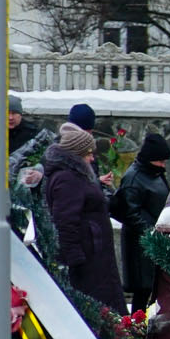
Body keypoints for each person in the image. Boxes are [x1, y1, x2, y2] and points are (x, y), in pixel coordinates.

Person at [42, 124, 126, 311]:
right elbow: (65, 221)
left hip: (92, 253)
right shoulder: (67, 178)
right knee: (96, 306)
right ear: (77, 154)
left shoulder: (75, 175)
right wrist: (74, 257)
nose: (92, 157)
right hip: (87, 258)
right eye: (89, 153)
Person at [111, 132, 170, 312]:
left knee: (153, 289)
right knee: (143, 292)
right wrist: (152, 234)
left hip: (151, 241)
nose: (163, 165)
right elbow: (130, 214)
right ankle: (138, 331)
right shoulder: (134, 178)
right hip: (140, 246)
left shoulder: (152, 173)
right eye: (160, 161)